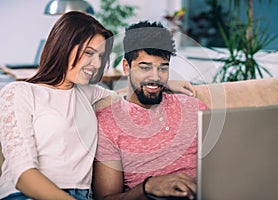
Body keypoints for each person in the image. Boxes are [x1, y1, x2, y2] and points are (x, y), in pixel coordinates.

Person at [0, 12, 196, 200]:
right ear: (63, 46)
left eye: (100, 56)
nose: (95, 63)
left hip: (83, 194)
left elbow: (128, 95)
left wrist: (162, 81)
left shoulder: (88, 93)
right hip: (26, 194)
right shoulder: (19, 92)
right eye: (89, 53)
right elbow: (23, 174)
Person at [92, 21, 208, 200]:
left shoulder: (193, 107)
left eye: (163, 68)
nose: (155, 77)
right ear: (126, 67)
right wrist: (148, 187)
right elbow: (106, 198)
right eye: (145, 67)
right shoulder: (108, 122)